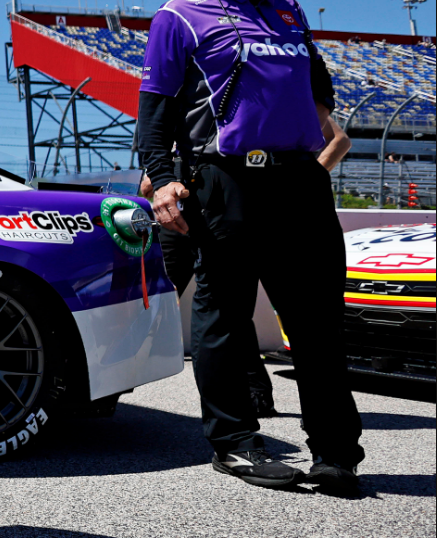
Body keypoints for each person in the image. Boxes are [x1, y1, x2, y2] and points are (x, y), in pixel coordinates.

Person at [138, 0, 364, 495]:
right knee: (222, 318)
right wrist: (163, 179)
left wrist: (312, 156)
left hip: (299, 182)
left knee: (317, 323)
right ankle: (235, 445)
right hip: (226, 181)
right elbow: (154, 112)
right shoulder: (179, 16)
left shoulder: (288, 10)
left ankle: (336, 453)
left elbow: (321, 96)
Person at [140, 110, 351, 419]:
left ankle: (255, 395)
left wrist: (303, 182)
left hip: (227, 195)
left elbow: (339, 140)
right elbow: (157, 139)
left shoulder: (244, 77)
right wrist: (157, 178)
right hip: (178, 198)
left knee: (229, 304)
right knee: (172, 295)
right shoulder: (177, 83)